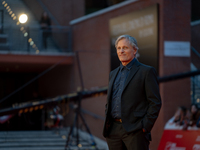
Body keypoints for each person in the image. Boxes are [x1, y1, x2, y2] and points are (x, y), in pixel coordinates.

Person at [103, 35, 162, 150]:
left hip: (135, 131)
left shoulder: (146, 71)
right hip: (113, 131)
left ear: (134, 50)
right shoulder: (113, 74)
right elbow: (110, 101)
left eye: (125, 47)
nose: (121, 51)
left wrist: (145, 127)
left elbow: (155, 102)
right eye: (119, 48)